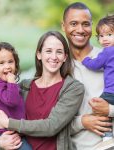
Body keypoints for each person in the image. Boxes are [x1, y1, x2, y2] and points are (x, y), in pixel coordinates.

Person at [0, 31, 85, 150]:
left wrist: (9, 123)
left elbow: (52, 126)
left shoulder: (73, 88)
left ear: (65, 57)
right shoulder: (23, 87)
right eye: (48, 51)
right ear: (39, 54)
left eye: (59, 52)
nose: (54, 57)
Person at [61, 2, 114, 150]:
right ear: (63, 26)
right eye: (73, 23)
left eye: (85, 24)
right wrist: (82, 122)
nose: (80, 29)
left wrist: (110, 110)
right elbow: (50, 124)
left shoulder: (109, 58)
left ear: (91, 26)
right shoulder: (58, 68)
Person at [0, 42, 32, 150]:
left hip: (15, 131)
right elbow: (12, 101)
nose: (7, 66)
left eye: (10, 61)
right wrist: (11, 83)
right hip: (7, 134)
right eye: (1, 63)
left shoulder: (6, 85)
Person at [82, 15, 114, 142]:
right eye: (101, 36)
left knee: (97, 107)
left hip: (111, 92)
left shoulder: (107, 52)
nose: (104, 39)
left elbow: (95, 65)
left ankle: (107, 135)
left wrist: (86, 60)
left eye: (109, 34)